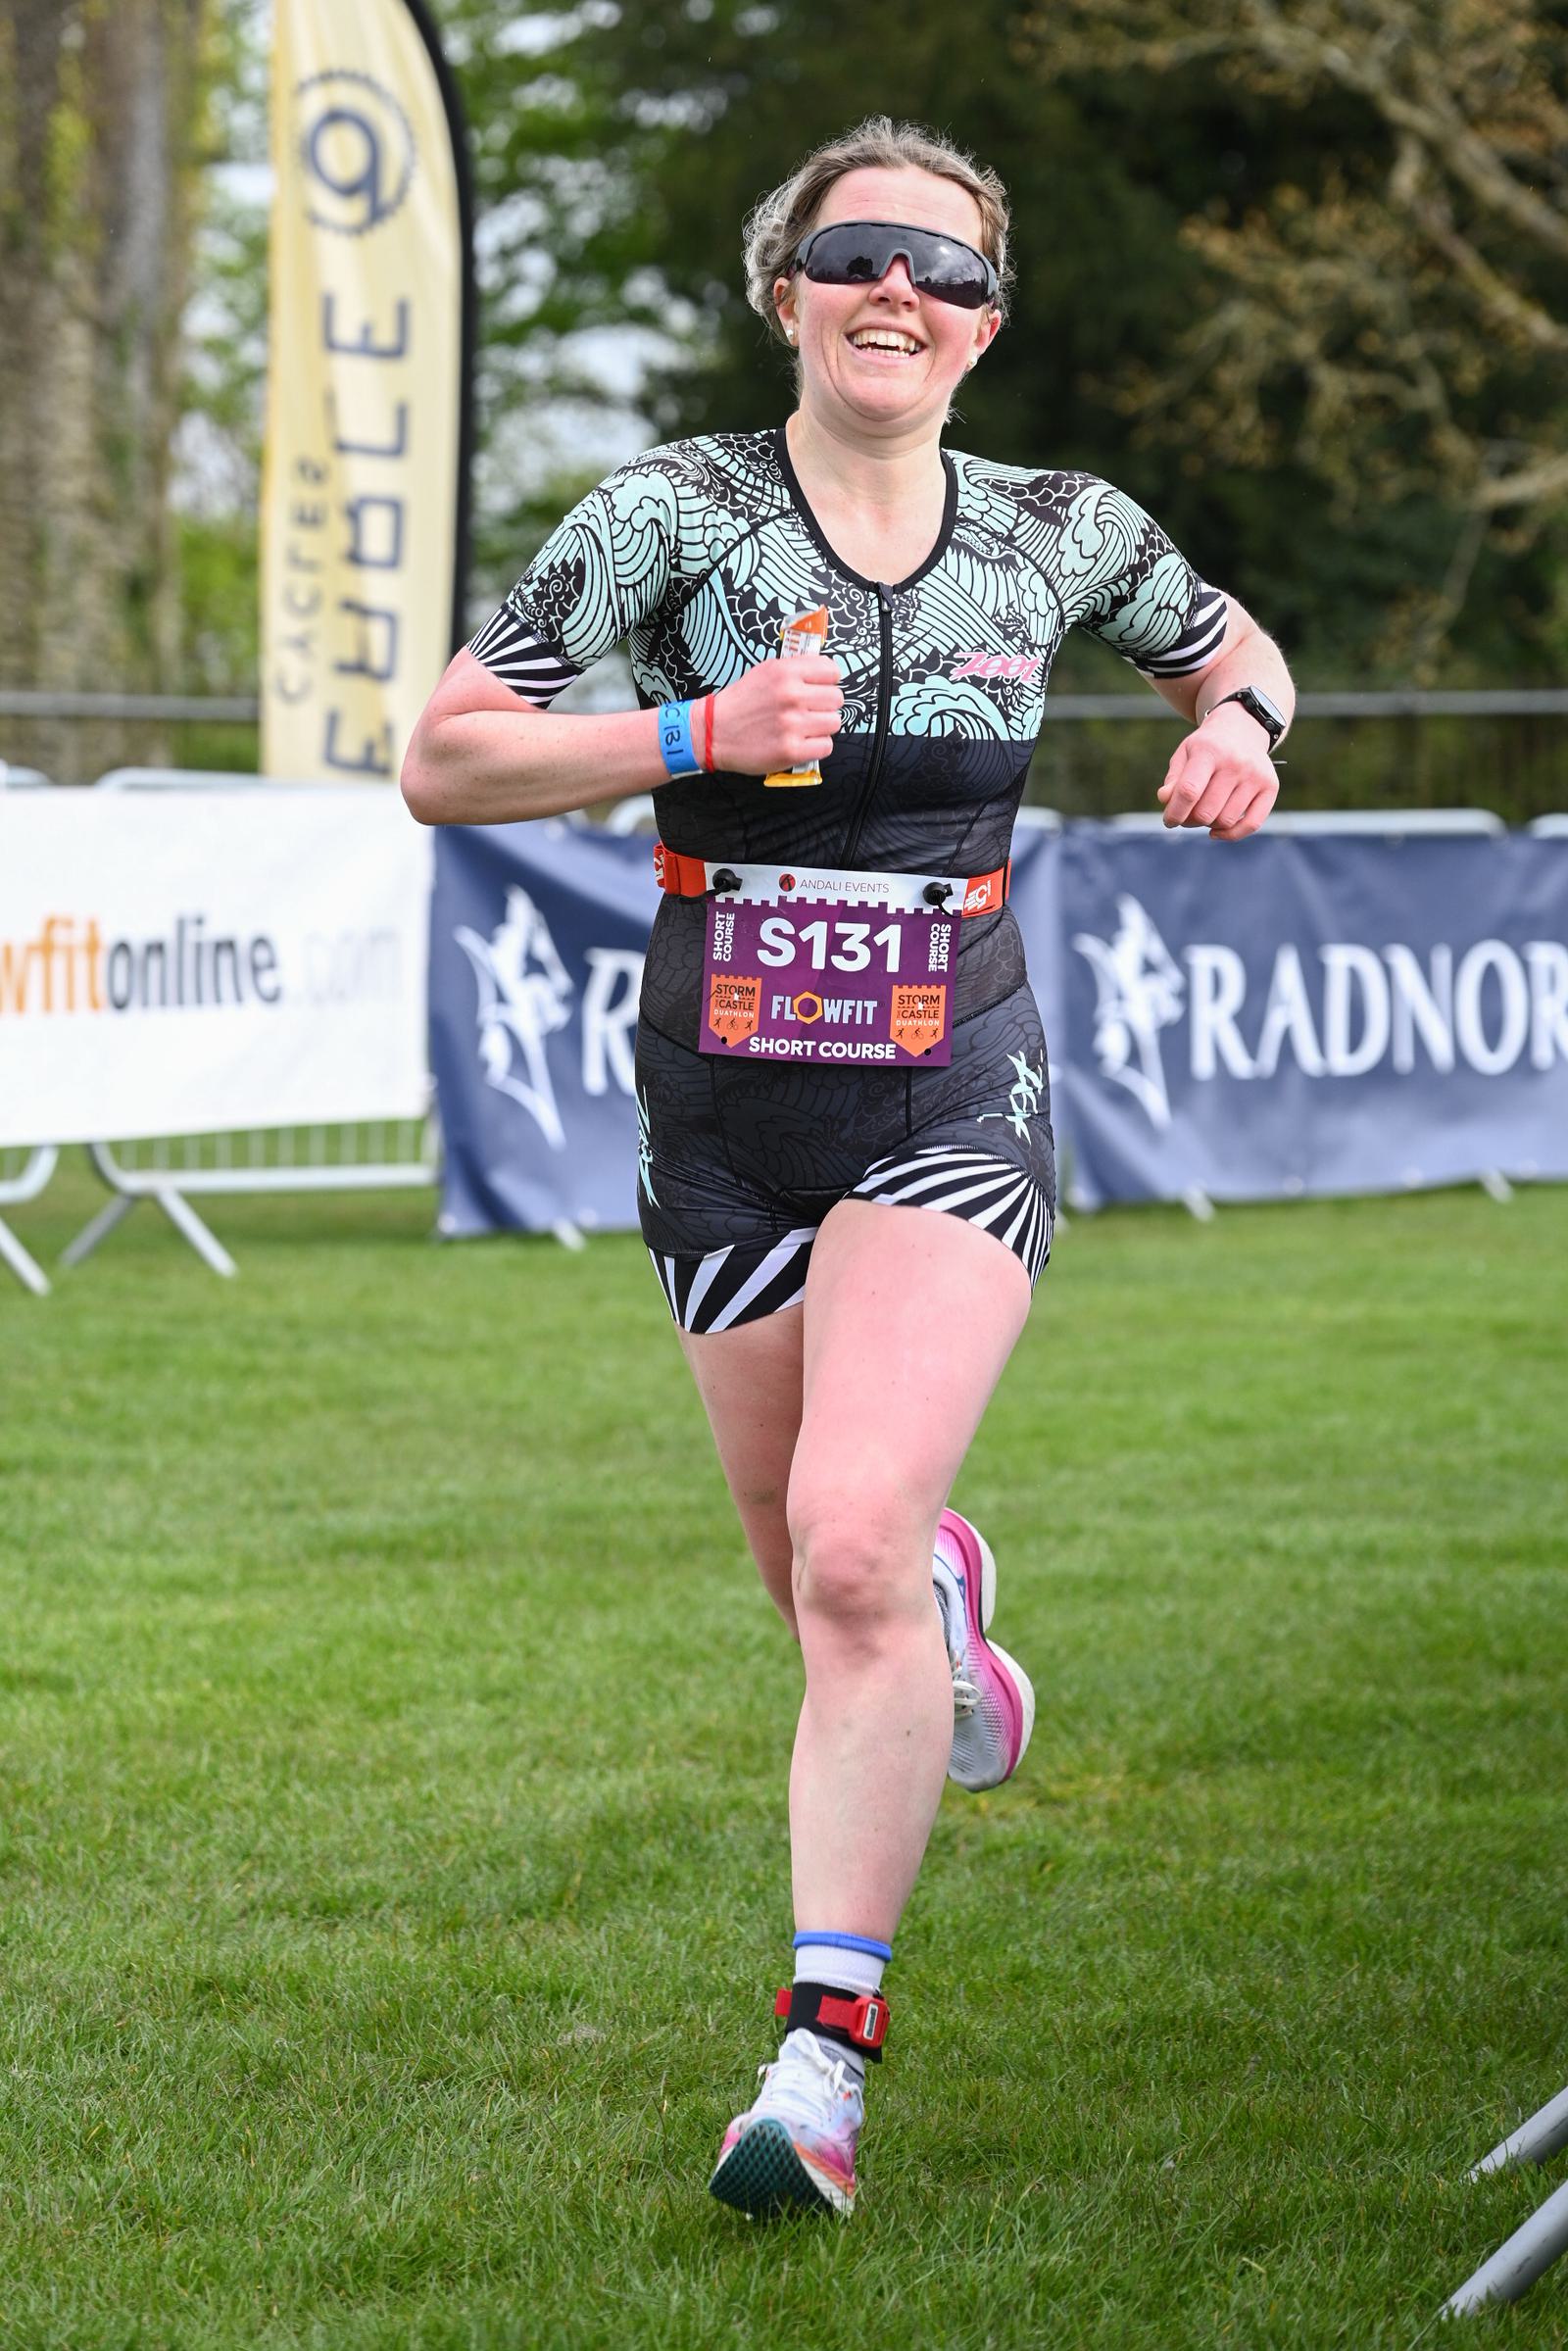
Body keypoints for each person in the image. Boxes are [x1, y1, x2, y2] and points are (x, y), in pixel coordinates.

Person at [402, 115, 1293, 2222]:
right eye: (858, 253)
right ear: (785, 289)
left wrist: (1245, 732)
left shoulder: (1055, 527)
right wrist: (694, 735)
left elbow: (1230, 649)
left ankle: (816, 2073)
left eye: (948, 269)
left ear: (985, 326)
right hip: (716, 1118)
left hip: (941, 1089)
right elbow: (445, 754)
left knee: (847, 1544)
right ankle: (943, 1622)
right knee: (825, 1594)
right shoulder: (667, 516)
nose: (902, 291)